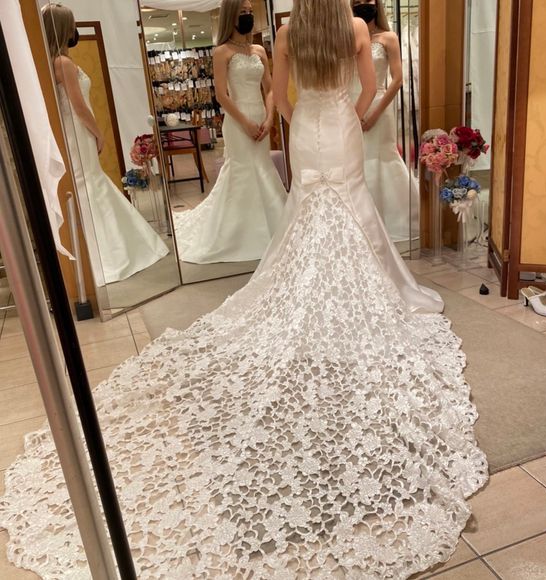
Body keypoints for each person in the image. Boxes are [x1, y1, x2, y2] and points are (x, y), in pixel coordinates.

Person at [0, 1, 487, 578]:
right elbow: (366, 88)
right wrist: (348, 114)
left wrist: (303, 118)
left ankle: (305, 282)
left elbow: (281, 96)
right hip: (341, 128)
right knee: (351, 207)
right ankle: (359, 282)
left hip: (308, 130)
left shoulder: (289, 30)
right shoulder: (355, 27)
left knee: (307, 208)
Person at [42, 3, 169, 287]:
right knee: (88, 182)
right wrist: (99, 133)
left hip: (73, 132)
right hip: (79, 131)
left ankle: (95, 249)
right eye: (72, 26)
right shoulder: (63, 63)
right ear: (63, 29)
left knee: (88, 182)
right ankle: (107, 252)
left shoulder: (54, 62)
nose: (75, 31)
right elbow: (78, 106)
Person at [172, 0, 287, 264]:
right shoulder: (221, 52)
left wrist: (270, 117)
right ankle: (239, 233)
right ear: (230, 17)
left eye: (250, 12)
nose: (247, 16)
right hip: (237, 121)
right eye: (242, 12)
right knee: (242, 171)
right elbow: (221, 95)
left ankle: (272, 226)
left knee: (263, 168)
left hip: (261, 116)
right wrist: (244, 122)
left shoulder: (259, 50)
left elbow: (270, 88)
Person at [351, 0, 420, 244]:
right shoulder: (346, 39)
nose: (363, 5)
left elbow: (398, 79)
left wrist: (375, 114)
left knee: (383, 157)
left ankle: (398, 220)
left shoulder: (388, 38)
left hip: (380, 105)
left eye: (368, 1)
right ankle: (362, 222)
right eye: (357, 1)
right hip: (352, 104)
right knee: (357, 160)